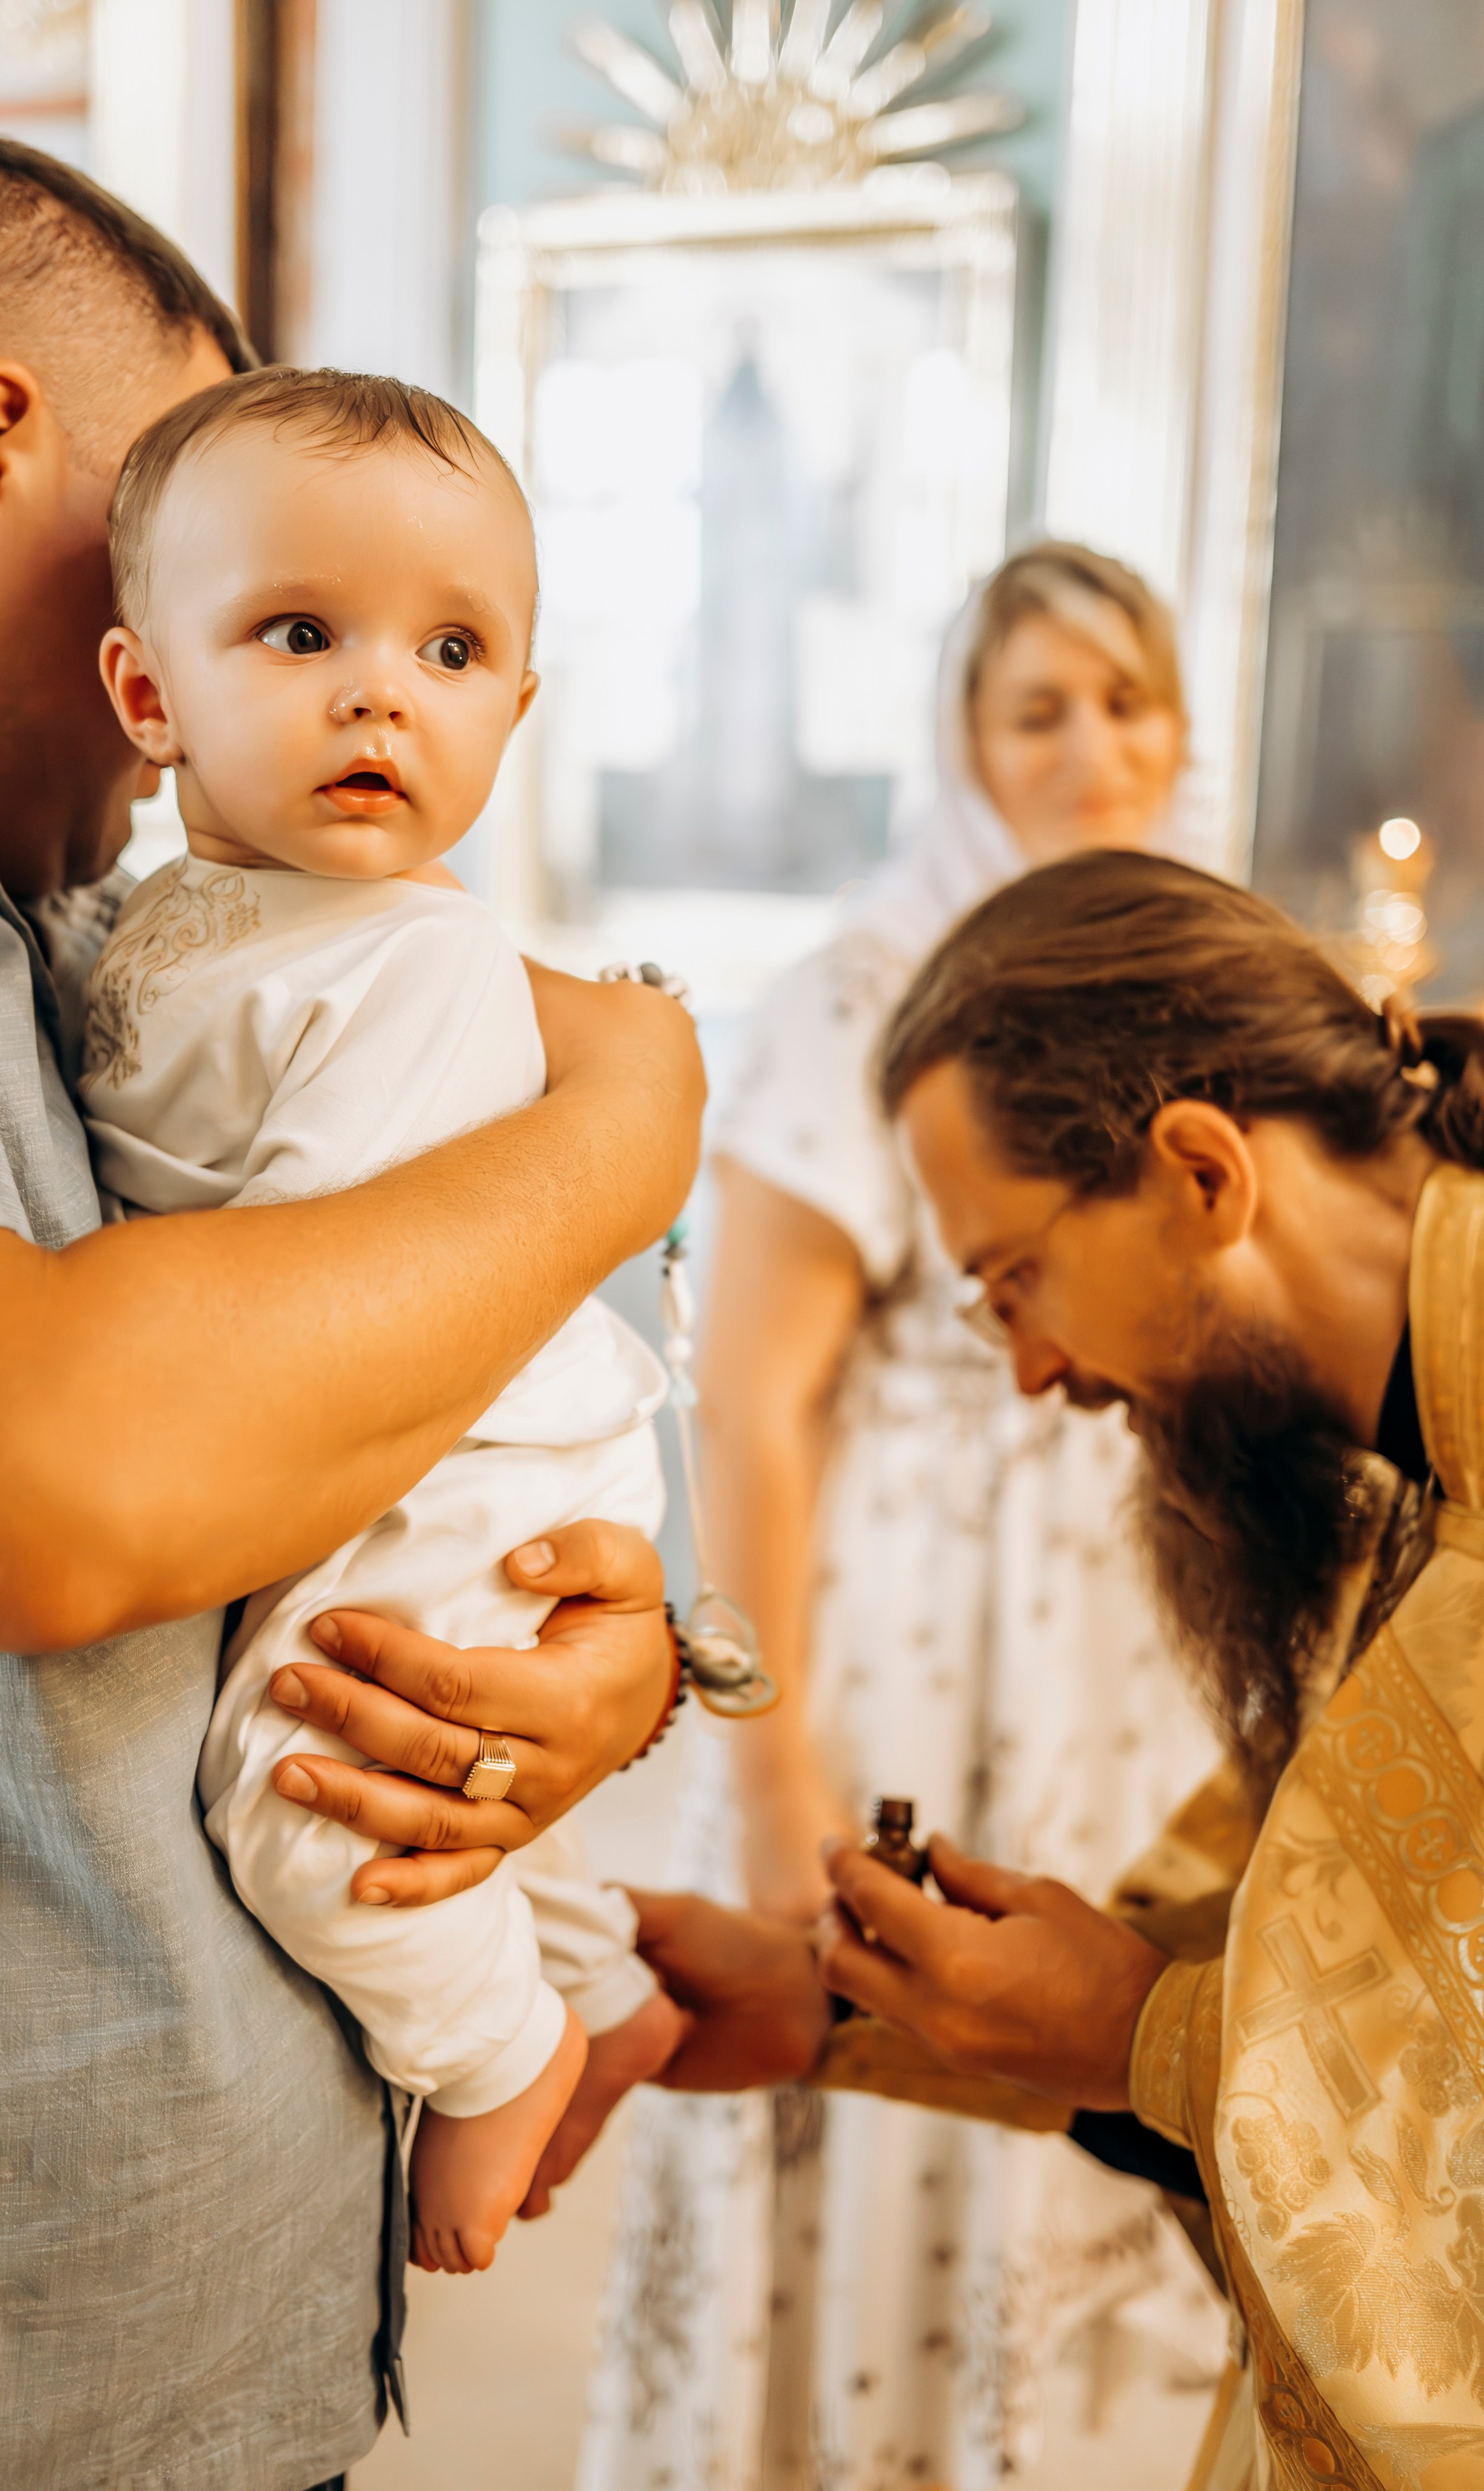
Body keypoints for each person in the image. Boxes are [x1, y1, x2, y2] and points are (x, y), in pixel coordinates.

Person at [0, 131, 703, 2489]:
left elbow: (409, 1306)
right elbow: (39, 1484)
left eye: (434, 646)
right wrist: (627, 1132)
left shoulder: (45, 911)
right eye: (229, 590)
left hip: (181, 2324)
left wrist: (611, 1664)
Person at [633, 848, 1484, 2488]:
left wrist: (1145, 2036)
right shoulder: (1420, 1456)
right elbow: (1359, 1972)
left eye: (1011, 1278)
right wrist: (839, 2009)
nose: (1030, 1373)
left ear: (1196, 1173)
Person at [583, 548, 1225, 2489]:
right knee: (874, 2053)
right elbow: (755, 1409)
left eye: (1127, 701)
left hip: (1128, 1667)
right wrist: (779, 1769)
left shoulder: (1192, 979)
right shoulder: (863, 996)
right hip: (901, 1644)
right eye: (1039, 709)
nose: (1091, 748)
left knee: (1099, 2048)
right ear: (962, 743)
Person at [82, 363, 687, 2276]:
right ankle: (596, 1972)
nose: (378, 693)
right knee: (458, 1785)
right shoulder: (147, 917)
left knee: (309, 1801)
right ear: (147, 696)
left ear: (515, 709)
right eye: (299, 633)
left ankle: (505, 2057)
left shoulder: (421, 958)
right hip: (405, 1436)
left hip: (448, 1452)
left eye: (450, 649)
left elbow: (311, 1324)